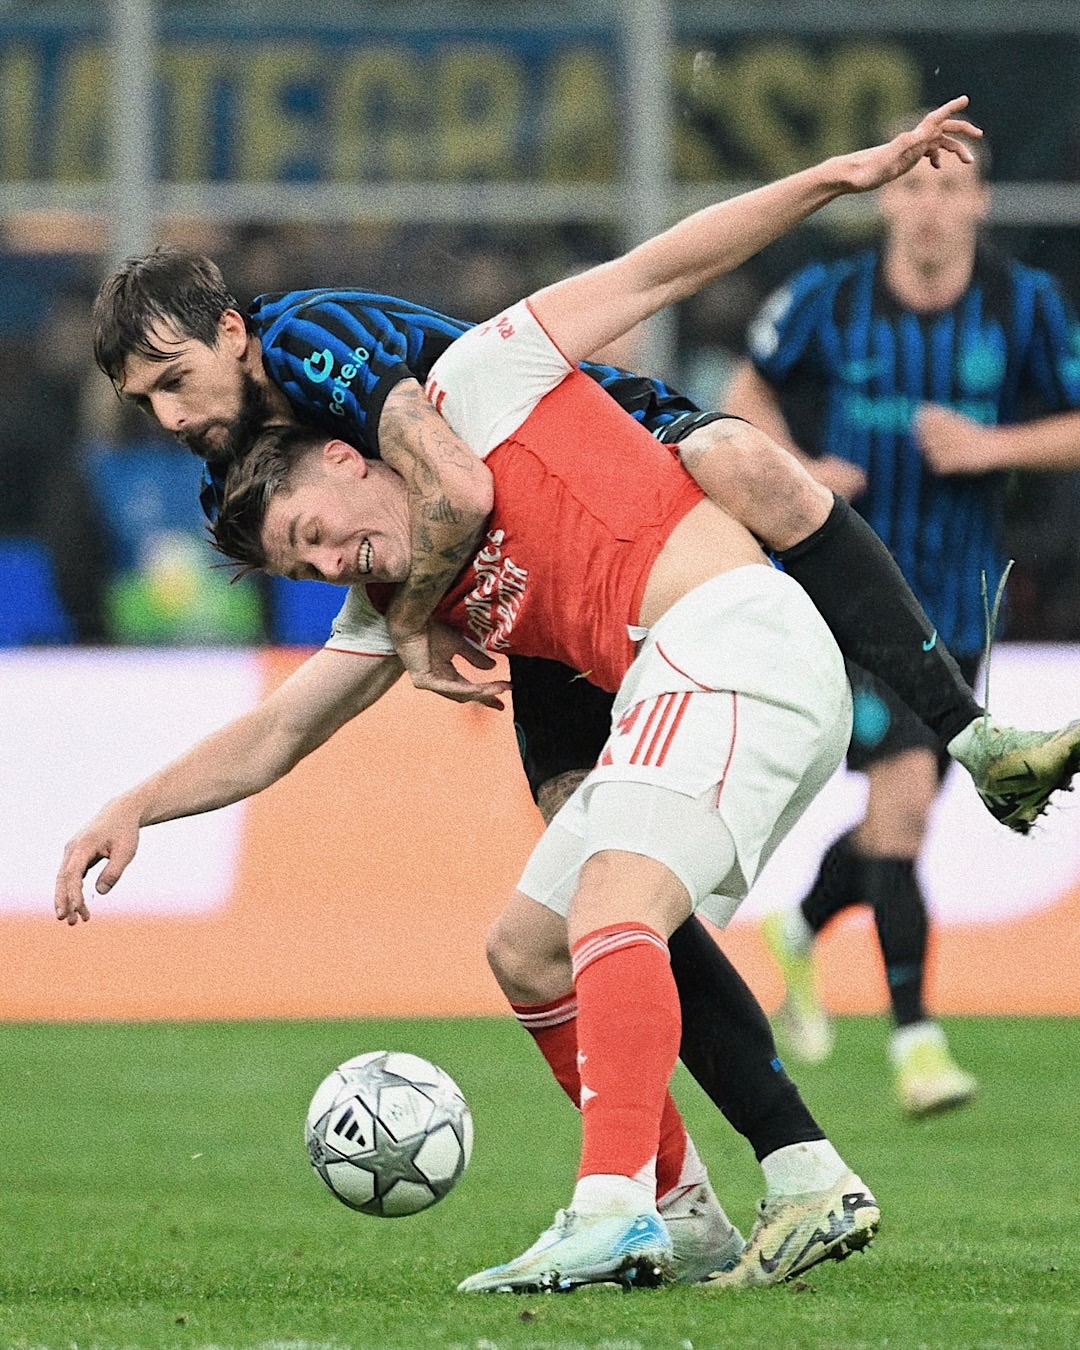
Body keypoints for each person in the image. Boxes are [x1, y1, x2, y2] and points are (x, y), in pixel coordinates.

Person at [58, 100, 990, 1293]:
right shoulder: (389, 566)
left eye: (314, 535)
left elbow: (661, 266)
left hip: (728, 633)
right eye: (306, 567)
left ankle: (610, 1208)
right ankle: (725, 1197)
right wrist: (134, 805)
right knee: (531, 949)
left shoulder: (470, 382)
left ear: (346, 450)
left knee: (614, 898)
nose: (330, 564)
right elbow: (283, 727)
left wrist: (836, 178)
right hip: (652, 668)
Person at [723, 121, 1080, 1116]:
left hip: (961, 607)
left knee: (897, 820)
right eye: (914, 186)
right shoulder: (829, 299)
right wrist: (797, 470)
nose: (930, 205)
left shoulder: (1023, 305)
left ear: (979, 203)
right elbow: (743, 392)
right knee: (907, 806)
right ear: (886, 198)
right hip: (845, 602)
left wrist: (992, 445)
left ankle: (802, 925)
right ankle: (917, 1044)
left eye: (950, 187)